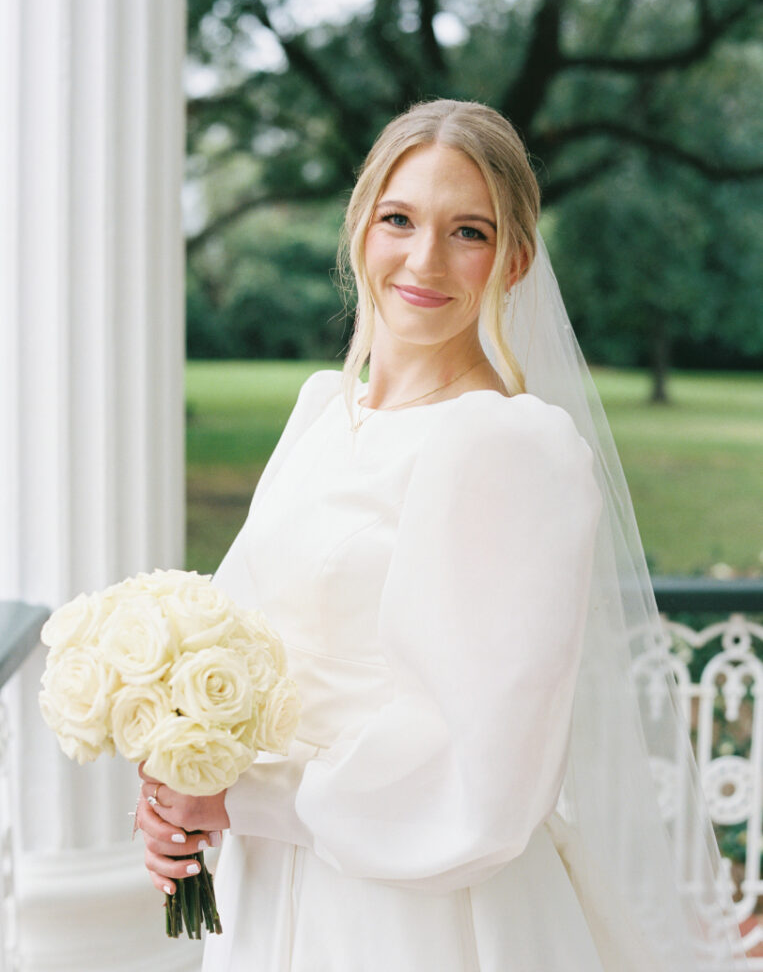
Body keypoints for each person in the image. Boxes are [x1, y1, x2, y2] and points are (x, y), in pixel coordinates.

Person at [137, 99, 744, 970]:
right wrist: (177, 783)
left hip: (416, 918)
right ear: (360, 228)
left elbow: (482, 773)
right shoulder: (321, 411)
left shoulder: (505, 445)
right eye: (399, 219)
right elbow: (231, 639)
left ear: (515, 259)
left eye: (468, 232)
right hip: (266, 891)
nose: (424, 259)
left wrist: (245, 798)